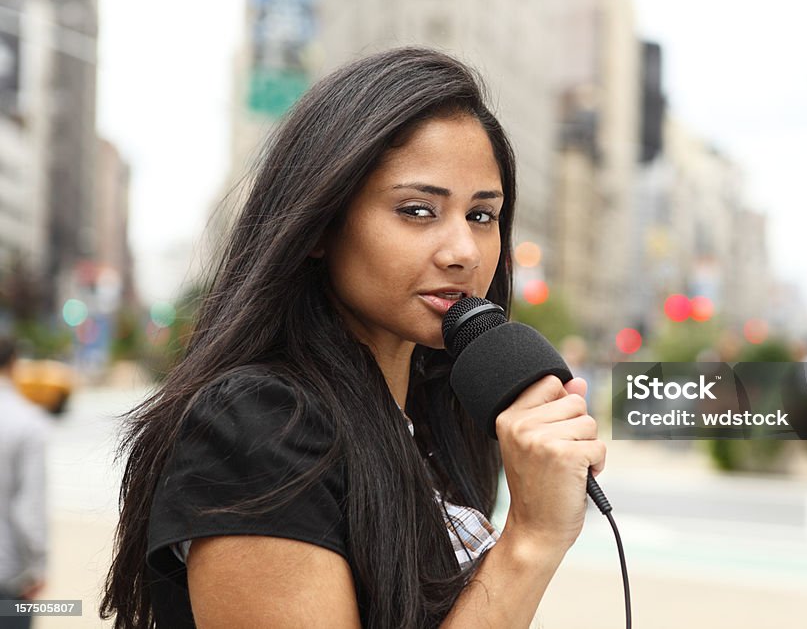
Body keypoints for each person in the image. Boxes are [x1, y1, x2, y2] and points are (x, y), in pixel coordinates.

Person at [101, 47, 605, 629]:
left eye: (482, 216)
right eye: (418, 211)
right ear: (320, 225)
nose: (463, 252)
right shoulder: (259, 424)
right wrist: (530, 541)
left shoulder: (437, 426)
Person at [0, 336, 49, 629]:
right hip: (8, 573)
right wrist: (36, 567)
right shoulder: (26, 421)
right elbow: (28, 510)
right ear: (14, 363)